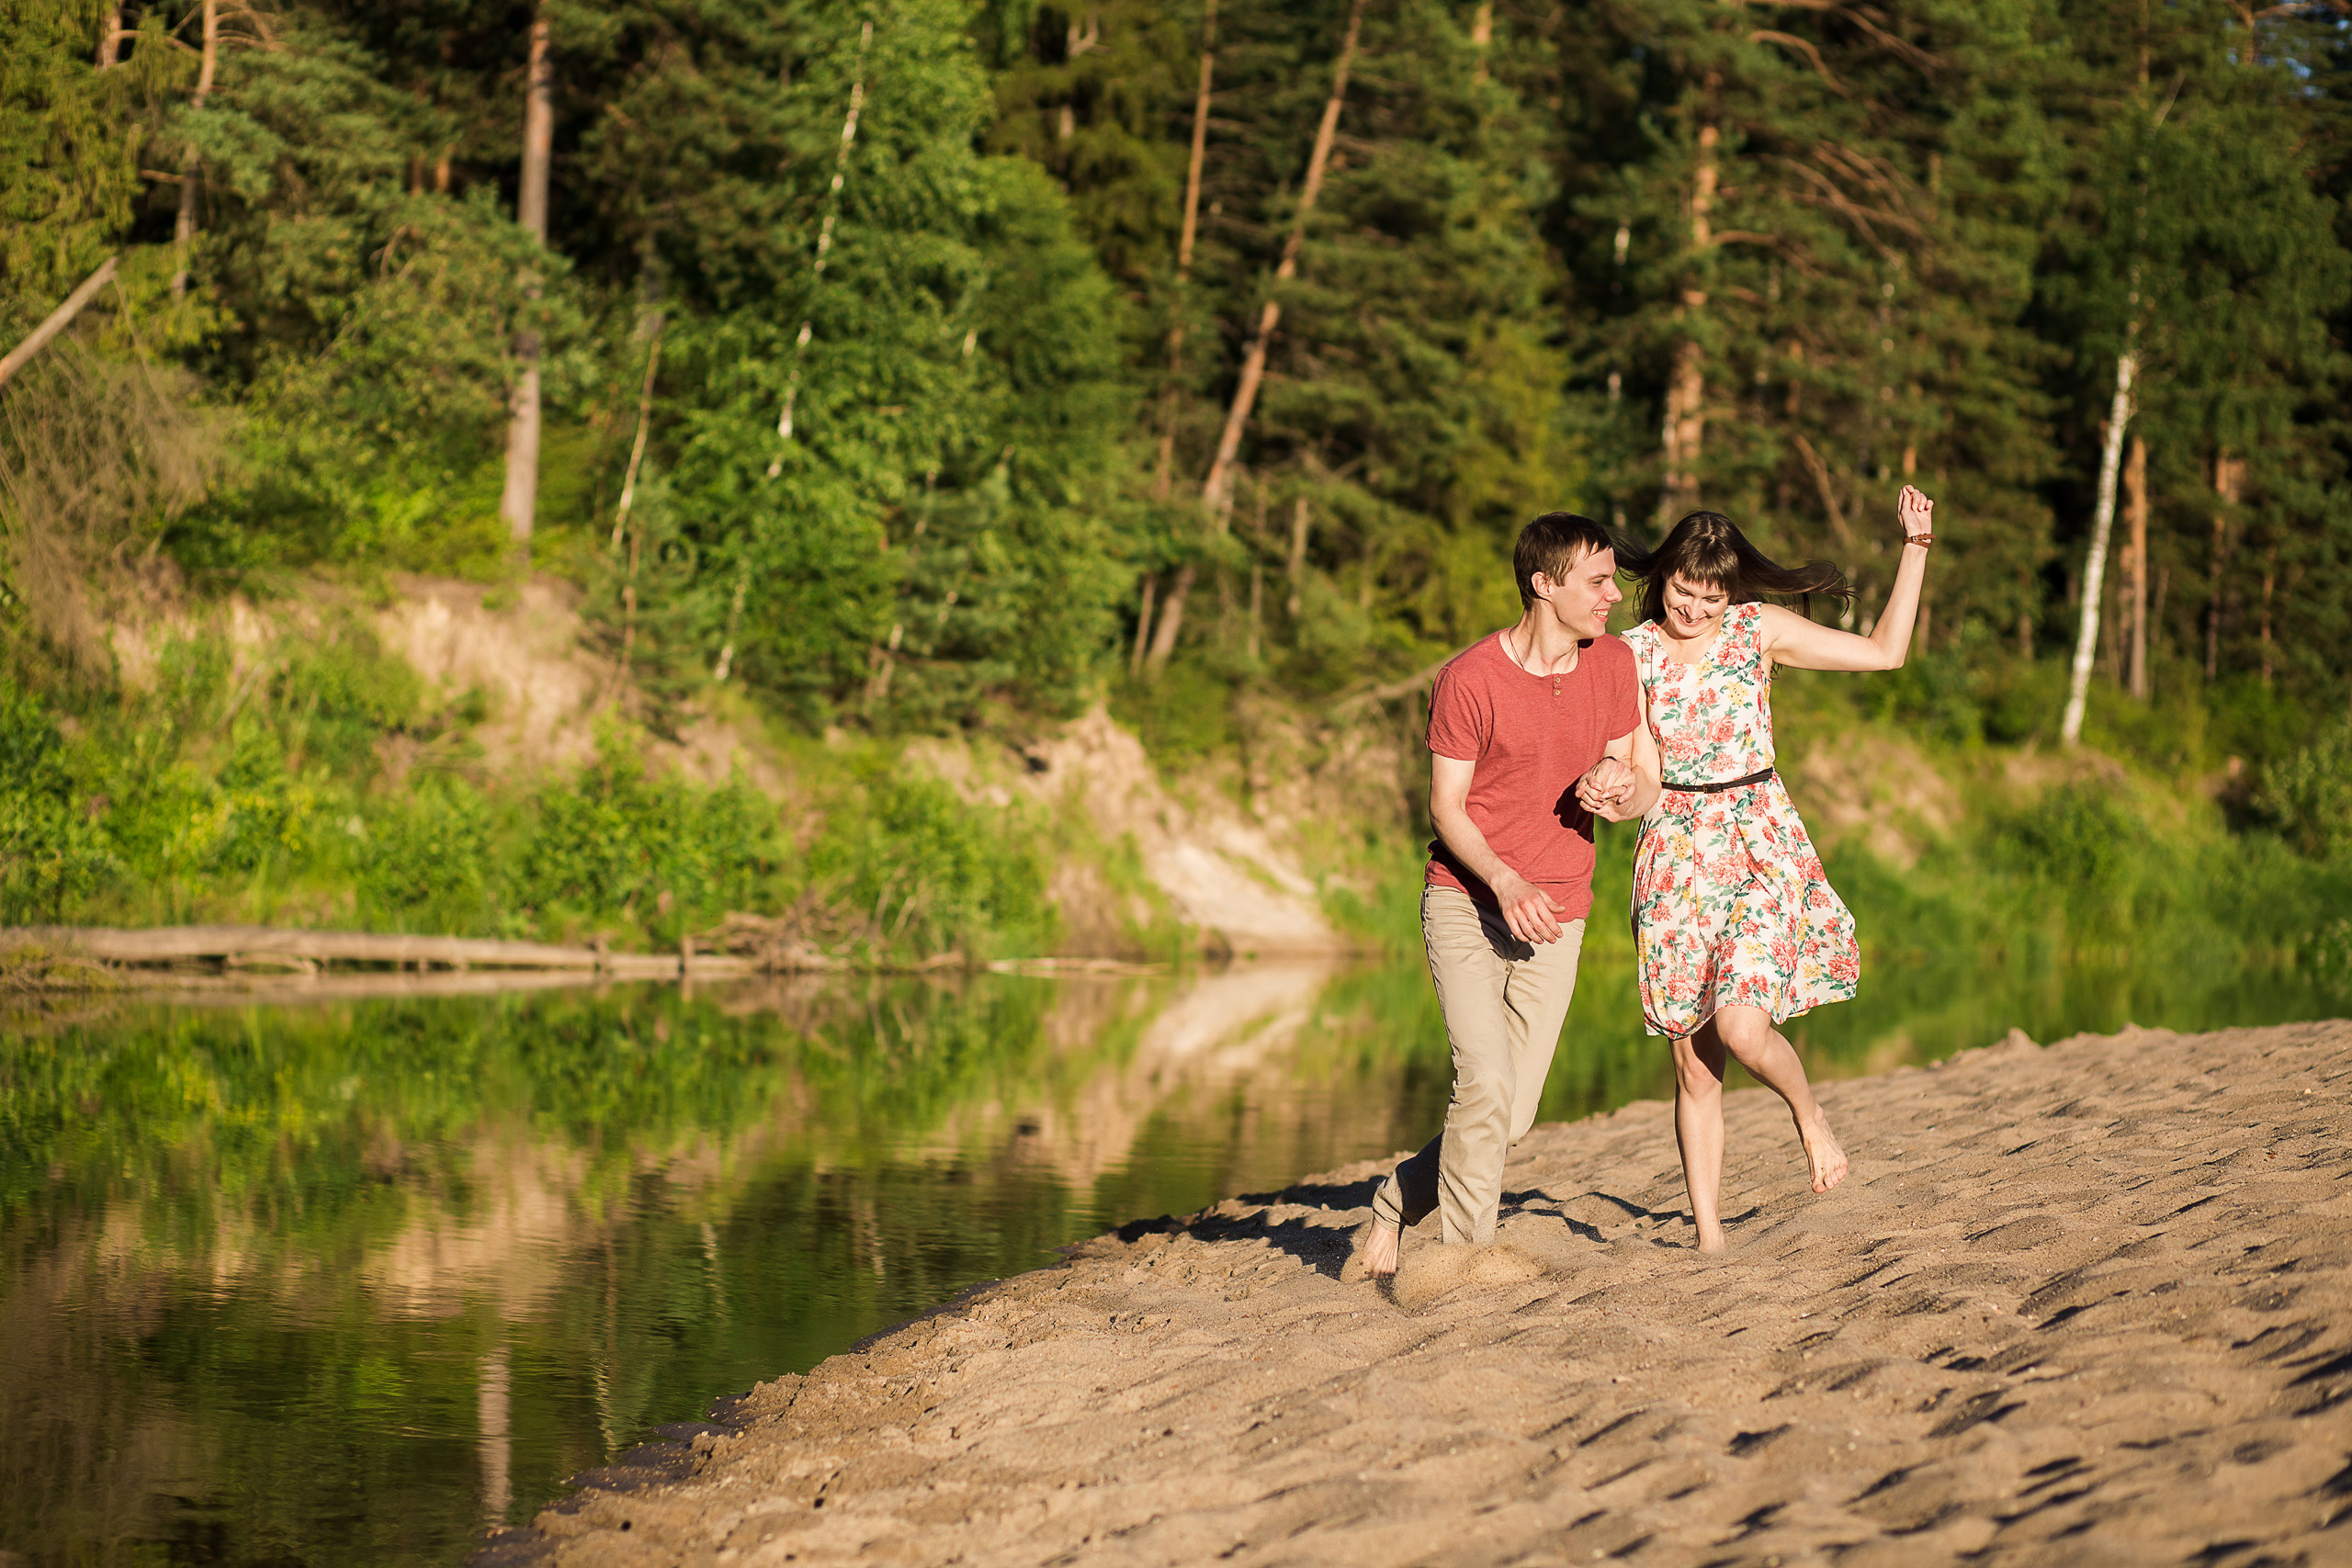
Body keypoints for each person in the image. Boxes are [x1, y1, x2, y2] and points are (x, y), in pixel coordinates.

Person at [1577, 488, 1938, 1253]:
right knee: (1694, 1067)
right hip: (1675, 858)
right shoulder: (1631, 652)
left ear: (1730, 593)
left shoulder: (1756, 629)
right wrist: (1613, 789)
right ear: (1663, 576)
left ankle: (1809, 1113)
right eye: (1684, 590)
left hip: (1757, 844)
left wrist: (1915, 548)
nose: (1695, 609)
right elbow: (1644, 776)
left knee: (1742, 1027)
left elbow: (1886, 652)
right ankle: (1709, 1238)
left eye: (1712, 597)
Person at [1358, 513, 1660, 1280]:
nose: (1614, 595)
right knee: (1485, 1084)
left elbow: (1637, 778)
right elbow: (1446, 808)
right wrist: (1503, 878)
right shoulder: (1469, 679)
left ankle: (1394, 1198)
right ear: (1544, 584)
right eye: (1598, 581)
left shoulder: (1614, 663)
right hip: (1468, 899)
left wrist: (1617, 786)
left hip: (1559, 912)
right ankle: (1464, 1261)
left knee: (1511, 1115)